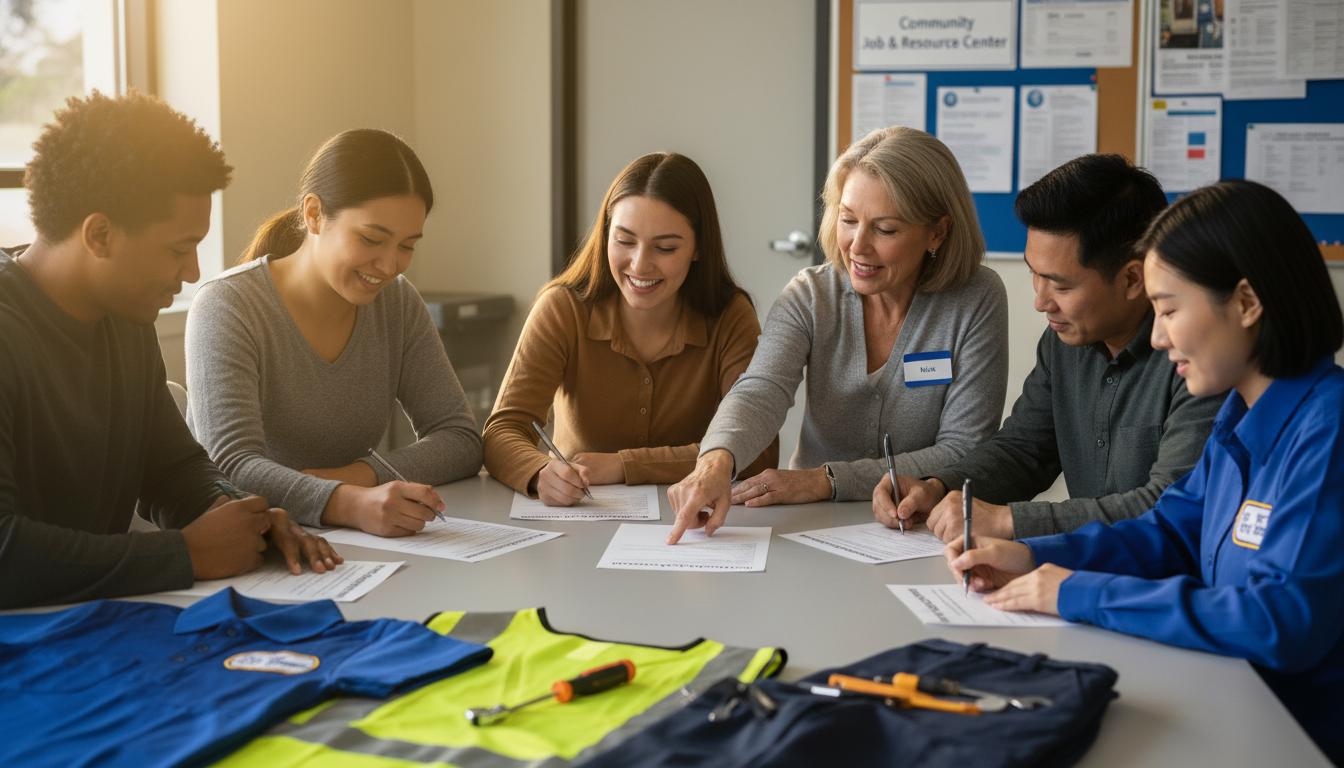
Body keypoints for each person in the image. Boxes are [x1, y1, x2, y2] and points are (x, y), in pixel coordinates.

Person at [948, 180, 1344, 763]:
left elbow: (1278, 620)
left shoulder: (1328, 429)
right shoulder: (1242, 411)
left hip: (1294, 739)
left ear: (1246, 302)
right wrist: (1039, 558)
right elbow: (1171, 531)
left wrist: (1078, 592)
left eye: (1169, 310)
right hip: (1226, 702)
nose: (1157, 336)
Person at [0, 91, 339, 608]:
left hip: (90, 625)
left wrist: (242, 514)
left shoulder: (124, 315)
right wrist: (183, 554)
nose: (193, 273)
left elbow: (170, 469)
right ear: (100, 235)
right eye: (179, 248)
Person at [668, 126, 1008, 543]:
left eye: (885, 229)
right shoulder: (811, 295)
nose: (857, 247)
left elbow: (964, 448)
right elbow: (761, 390)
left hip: (921, 527)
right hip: (810, 522)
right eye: (848, 220)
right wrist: (716, 462)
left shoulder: (976, 298)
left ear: (937, 232)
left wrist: (828, 480)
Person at [873, 154, 1221, 542]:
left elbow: (1168, 505)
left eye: (1061, 285)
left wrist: (1011, 522)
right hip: (1082, 568)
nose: (1041, 301)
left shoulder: (1195, 359)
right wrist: (938, 486)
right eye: (1034, 275)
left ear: (1133, 278)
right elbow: (1024, 451)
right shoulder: (1064, 342)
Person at [187, 129, 482, 537]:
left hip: (343, 542)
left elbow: (461, 439)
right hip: (246, 546)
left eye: (407, 245)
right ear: (313, 214)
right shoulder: (227, 306)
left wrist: (358, 476)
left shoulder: (396, 303)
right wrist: (347, 501)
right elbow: (231, 467)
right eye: (372, 239)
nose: (390, 265)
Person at [482, 152, 778, 505]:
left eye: (665, 247)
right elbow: (502, 431)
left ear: (698, 247)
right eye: (624, 241)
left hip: (692, 527)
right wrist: (538, 473)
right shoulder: (563, 308)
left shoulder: (730, 315)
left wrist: (625, 466)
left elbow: (756, 451)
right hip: (579, 521)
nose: (639, 264)